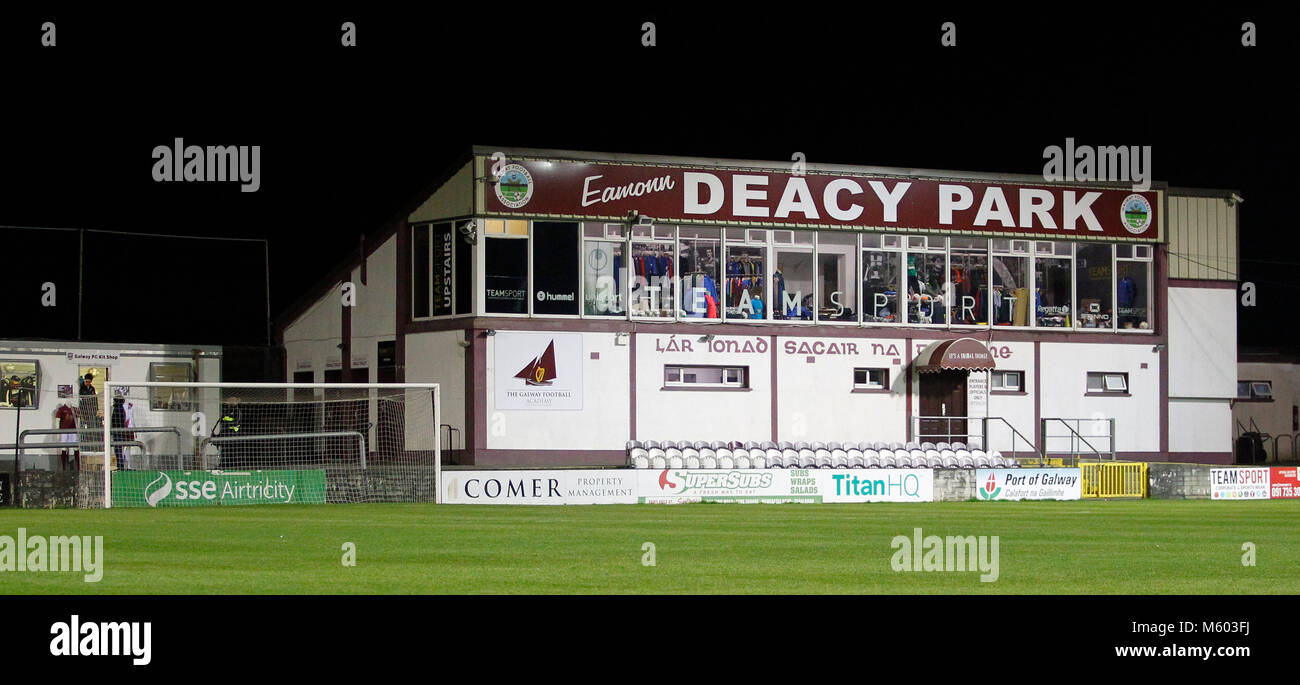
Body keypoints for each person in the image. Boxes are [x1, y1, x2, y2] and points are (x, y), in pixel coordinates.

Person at [212, 397, 245, 469]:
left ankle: (233, 467)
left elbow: (236, 422)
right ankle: (223, 465)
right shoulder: (226, 411)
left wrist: (226, 423)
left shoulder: (237, 411)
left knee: (232, 452)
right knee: (224, 451)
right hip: (225, 434)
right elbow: (221, 421)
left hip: (233, 435)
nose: (227, 405)